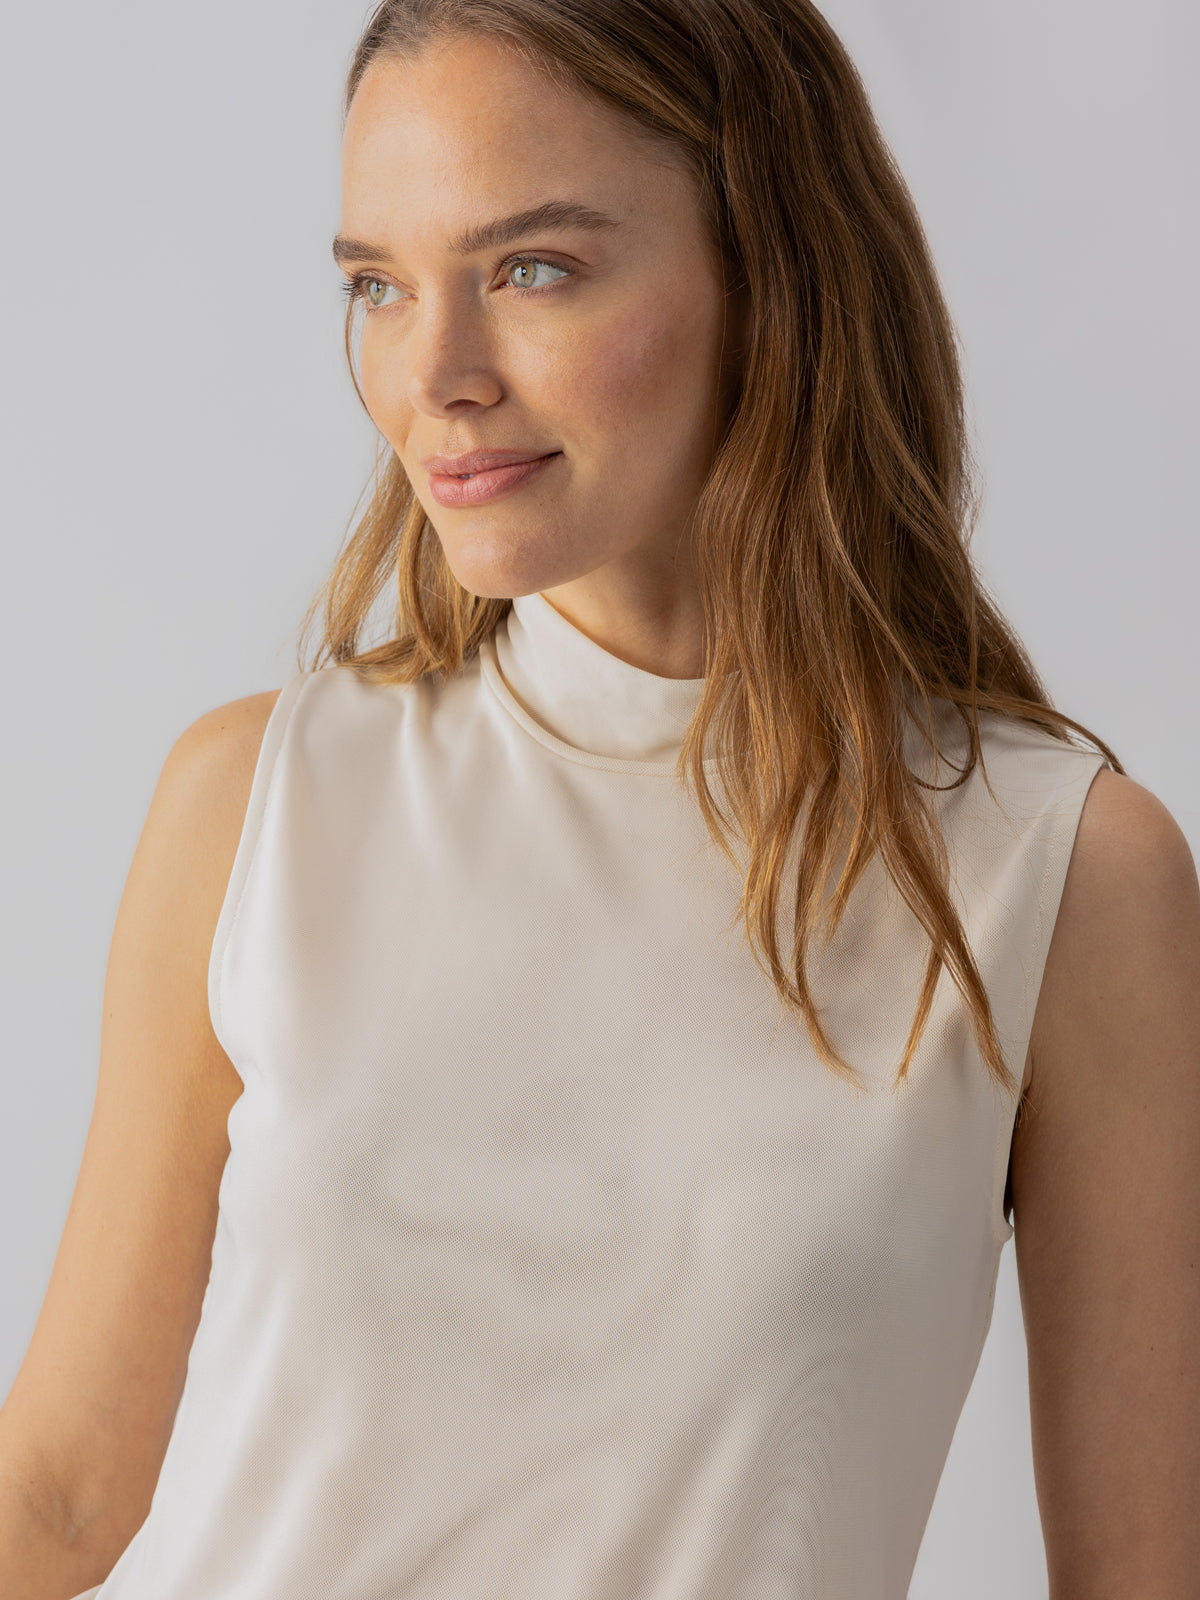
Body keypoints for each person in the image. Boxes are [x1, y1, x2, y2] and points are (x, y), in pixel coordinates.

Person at [2, 1, 1197, 1596]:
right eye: (377, 286)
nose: (435, 374)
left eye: (532, 270)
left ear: (770, 272)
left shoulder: (1058, 877)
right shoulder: (258, 806)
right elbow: (70, 1495)